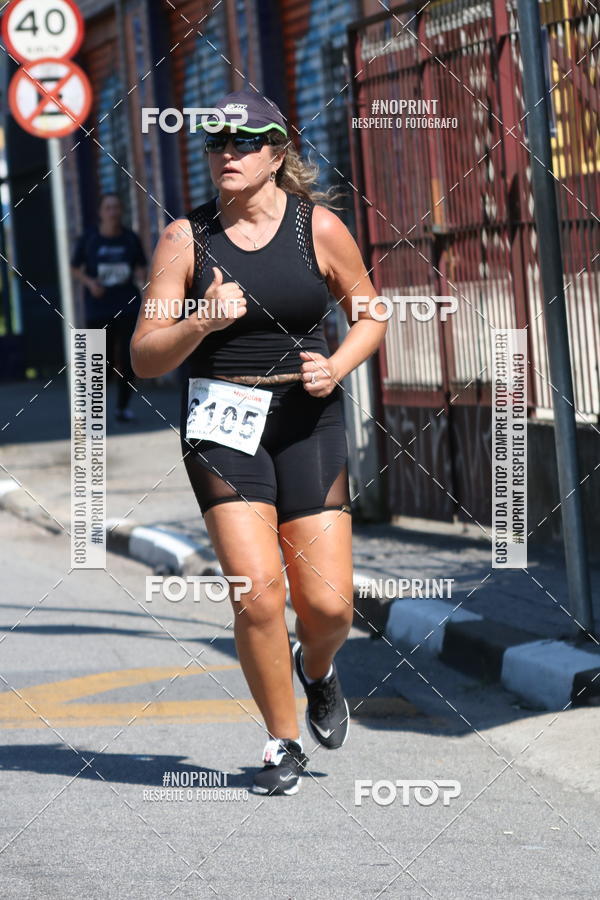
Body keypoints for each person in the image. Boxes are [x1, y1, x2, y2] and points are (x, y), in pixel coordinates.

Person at [130, 90, 386, 795]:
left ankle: (318, 669)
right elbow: (145, 354)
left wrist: (337, 365)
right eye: (216, 142)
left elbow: (371, 315)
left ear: (277, 154)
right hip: (222, 423)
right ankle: (282, 741)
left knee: (328, 606)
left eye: (244, 141)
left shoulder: (318, 228)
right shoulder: (185, 239)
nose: (228, 153)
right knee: (259, 594)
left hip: (307, 418)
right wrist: (201, 322)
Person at [72, 192, 147, 422]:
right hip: (98, 308)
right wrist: (90, 283)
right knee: (100, 362)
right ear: (100, 213)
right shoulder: (90, 238)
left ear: (121, 211)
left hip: (127, 305)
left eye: (116, 207)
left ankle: (122, 408)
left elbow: (141, 266)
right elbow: (74, 267)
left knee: (129, 359)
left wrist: (141, 277)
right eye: (108, 208)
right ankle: (93, 411)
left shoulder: (130, 238)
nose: (113, 212)